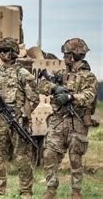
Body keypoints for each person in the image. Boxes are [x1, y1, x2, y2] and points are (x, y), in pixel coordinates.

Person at [39, 38, 97, 199]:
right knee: (49, 154)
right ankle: (50, 190)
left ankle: (76, 192)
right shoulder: (61, 74)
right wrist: (55, 88)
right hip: (58, 120)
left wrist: (70, 97)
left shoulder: (88, 77)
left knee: (75, 159)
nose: (64, 58)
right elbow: (41, 85)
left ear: (74, 56)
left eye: (66, 55)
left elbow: (88, 96)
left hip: (77, 121)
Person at [0, 37, 39, 198]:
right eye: (0, 51)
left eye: (5, 51)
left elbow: (34, 98)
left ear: (14, 53)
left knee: (22, 157)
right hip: (0, 119)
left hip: (18, 120)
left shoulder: (23, 74)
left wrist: (21, 114)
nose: (2, 54)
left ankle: (25, 192)